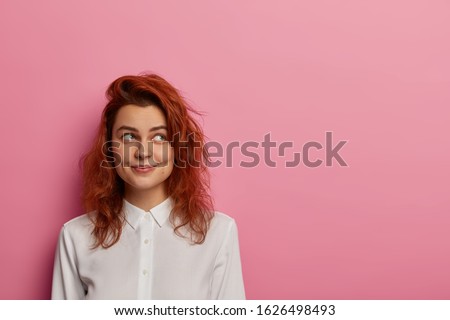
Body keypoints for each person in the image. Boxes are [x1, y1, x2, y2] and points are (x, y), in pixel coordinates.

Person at [51, 74, 246, 299]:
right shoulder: (75, 237)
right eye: (128, 137)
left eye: (160, 137)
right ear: (109, 147)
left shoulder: (219, 233)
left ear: (178, 147)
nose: (143, 151)